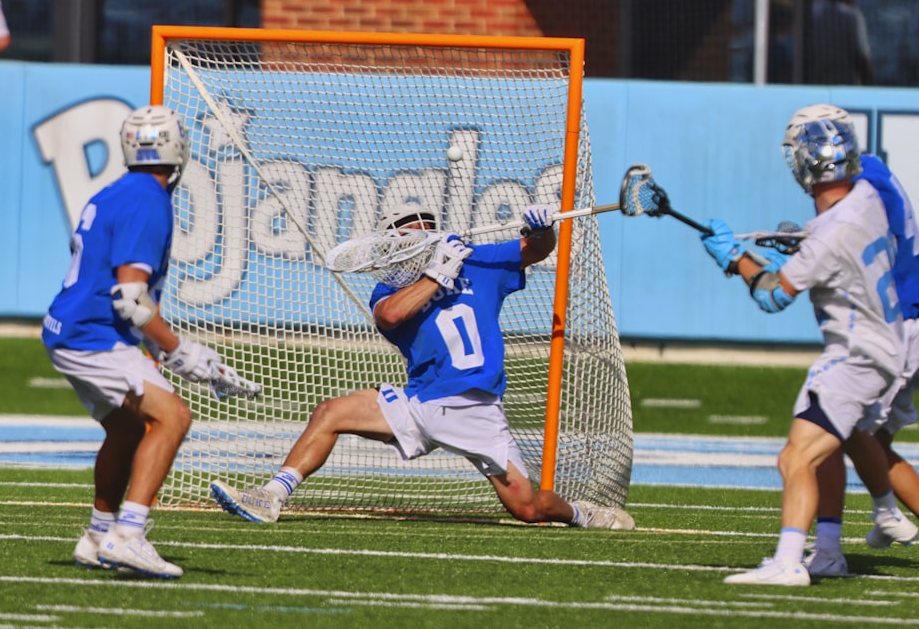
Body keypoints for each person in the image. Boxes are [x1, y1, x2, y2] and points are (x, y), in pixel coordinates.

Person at [209, 202, 635, 531]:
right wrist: (436, 274)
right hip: (420, 400)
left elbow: (535, 250)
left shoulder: (478, 262)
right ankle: (271, 496)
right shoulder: (388, 289)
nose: (421, 234)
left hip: (475, 408)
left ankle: (582, 514)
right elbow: (391, 317)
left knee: (528, 507)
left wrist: (541, 229)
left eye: (426, 227)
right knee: (330, 412)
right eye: (410, 230)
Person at [700, 103, 906, 586]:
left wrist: (735, 258)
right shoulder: (868, 199)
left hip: (855, 355)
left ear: (806, 165)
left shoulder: (826, 238)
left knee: (796, 458)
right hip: (878, 348)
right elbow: (829, 244)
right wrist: (795, 245)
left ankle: (790, 561)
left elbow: (773, 295)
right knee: (814, 453)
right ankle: (825, 553)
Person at [43, 104, 245, 579]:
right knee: (173, 416)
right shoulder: (148, 198)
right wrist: (180, 351)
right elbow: (131, 298)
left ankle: (98, 533)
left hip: (71, 328)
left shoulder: (119, 191)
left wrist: (163, 348)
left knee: (128, 429)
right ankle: (128, 535)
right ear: (177, 148)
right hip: (92, 335)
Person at [805, 150, 919, 577]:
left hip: (892, 334)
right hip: (918, 331)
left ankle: (845, 539)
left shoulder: (865, 187)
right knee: (874, 444)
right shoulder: (880, 185)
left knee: (833, 426)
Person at [808, 0, 874, 85]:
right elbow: (860, 56)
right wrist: (872, 89)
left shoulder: (810, 15)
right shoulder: (850, 17)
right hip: (845, 88)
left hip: (813, 85)